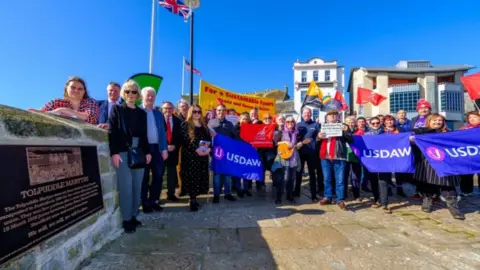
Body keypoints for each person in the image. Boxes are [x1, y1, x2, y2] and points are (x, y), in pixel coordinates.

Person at [108, 79, 151, 233]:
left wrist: (147, 152)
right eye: (127, 91)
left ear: (138, 94)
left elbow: (145, 135)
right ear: (123, 93)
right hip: (122, 153)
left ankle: (133, 215)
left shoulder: (142, 113)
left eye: (134, 91)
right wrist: (114, 152)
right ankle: (126, 220)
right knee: (126, 186)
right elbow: (112, 132)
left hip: (138, 152)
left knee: (137, 186)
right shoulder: (117, 110)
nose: (131, 94)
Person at [411, 114, 464, 220]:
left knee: (448, 185)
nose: (437, 122)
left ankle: (453, 207)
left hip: (445, 163)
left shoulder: (449, 133)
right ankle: (427, 202)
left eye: (440, 120)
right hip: (427, 162)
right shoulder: (421, 131)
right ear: (429, 121)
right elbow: (410, 140)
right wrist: (411, 139)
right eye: (434, 120)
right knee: (427, 184)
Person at [140, 87, 168, 213]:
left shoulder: (158, 113)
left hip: (157, 148)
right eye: (148, 95)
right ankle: (145, 202)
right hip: (143, 149)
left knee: (158, 175)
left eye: (153, 96)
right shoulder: (138, 111)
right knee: (144, 177)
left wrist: (164, 149)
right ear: (142, 97)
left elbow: (162, 132)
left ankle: (154, 200)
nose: (150, 98)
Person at [180, 105, 213, 211]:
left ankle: (195, 198)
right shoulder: (185, 125)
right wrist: (196, 149)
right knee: (191, 177)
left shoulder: (204, 126)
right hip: (190, 156)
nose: (197, 114)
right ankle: (192, 200)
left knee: (199, 177)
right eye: (195, 112)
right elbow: (185, 140)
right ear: (190, 112)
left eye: (199, 112)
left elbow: (209, 140)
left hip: (202, 157)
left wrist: (209, 149)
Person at [318, 111, 353, 210]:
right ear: (327, 117)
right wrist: (318, 137)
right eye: (330, 115)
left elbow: (351, 140)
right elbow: (317, 140)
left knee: (340, 179)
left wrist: (346, 131)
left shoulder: (344, 126)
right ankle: (328, 197)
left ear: (338, 116)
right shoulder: (322, 126)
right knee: (327, 178)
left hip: (339, 156)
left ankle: (340, 200)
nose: (333, 116)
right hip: (325, 156)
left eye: (334, 115)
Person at [30, 76, 99, 125]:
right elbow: (42, 116)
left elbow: (91, 118)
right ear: (66, 89)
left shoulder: (91, 102)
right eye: (73, 87)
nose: (76, 90)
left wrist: (62, 110)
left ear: (84, 91)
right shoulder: (55, 102)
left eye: (80, 89)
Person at [208, 104, 238, 203]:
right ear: (216, 111)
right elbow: (207, 138)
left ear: (226, 112)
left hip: (227, 154)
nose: (221, 112)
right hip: (215, 154)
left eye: (223, 110)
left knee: (227, 175)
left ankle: (227, 194)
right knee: (216, 175)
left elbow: (235, 138)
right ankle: (216, 195)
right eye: (219, 110)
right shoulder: (211, 123)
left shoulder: (230, 124)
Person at [273, 116, 300, 204]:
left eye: (292, 121)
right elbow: (276, 142)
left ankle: (289, 196)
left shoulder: (297, 133)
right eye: (288, 122)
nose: (290, 123)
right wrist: (285, 142)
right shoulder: (281, 132)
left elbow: (297, 144)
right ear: (285, 123)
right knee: (284, 178)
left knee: (292, 178)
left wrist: (299, 145)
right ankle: (279, 196)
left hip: (294, 157)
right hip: (284, 157)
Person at [296, 108, 320, 202]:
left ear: (311, 114)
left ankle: (313, 194)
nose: (307, 114)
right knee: (299, 172)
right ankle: (296, 191)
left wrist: (318, 137)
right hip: (300, 152)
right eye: (305, 113)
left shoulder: (316, 125)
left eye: (308, 113)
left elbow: (319, 137)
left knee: (312, 174)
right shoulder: (298, 125)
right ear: (302, 115)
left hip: (312, 153)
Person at [162, 101, 183, 201]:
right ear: (163, 109)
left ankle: (171, 194)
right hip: (160, 151)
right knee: (159, 174)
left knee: (171, 175)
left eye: (170, 108)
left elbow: (180, 136)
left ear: (173, 109)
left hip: (173, 151)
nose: (168, 110)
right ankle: (155, 197)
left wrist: (175, 145)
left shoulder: (178, 121)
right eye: (166, 108)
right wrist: (165, 146)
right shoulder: (158, 119)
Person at [459, 111, 480, 196]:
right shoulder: (463, 129)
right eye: (470, 118)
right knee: (466, 174)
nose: (472, 119)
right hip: (467, 156)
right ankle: (466, 191)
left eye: (474, 117)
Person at [232, 112, 251, 197]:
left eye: (246, 119)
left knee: (246, 173)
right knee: (238, 173)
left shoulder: (251, 128)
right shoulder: (234, 128)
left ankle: (246, 189)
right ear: (239, 120)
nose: (244, 120)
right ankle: (239, 190)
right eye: (243, 119)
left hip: (247, 153)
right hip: (237, 154)